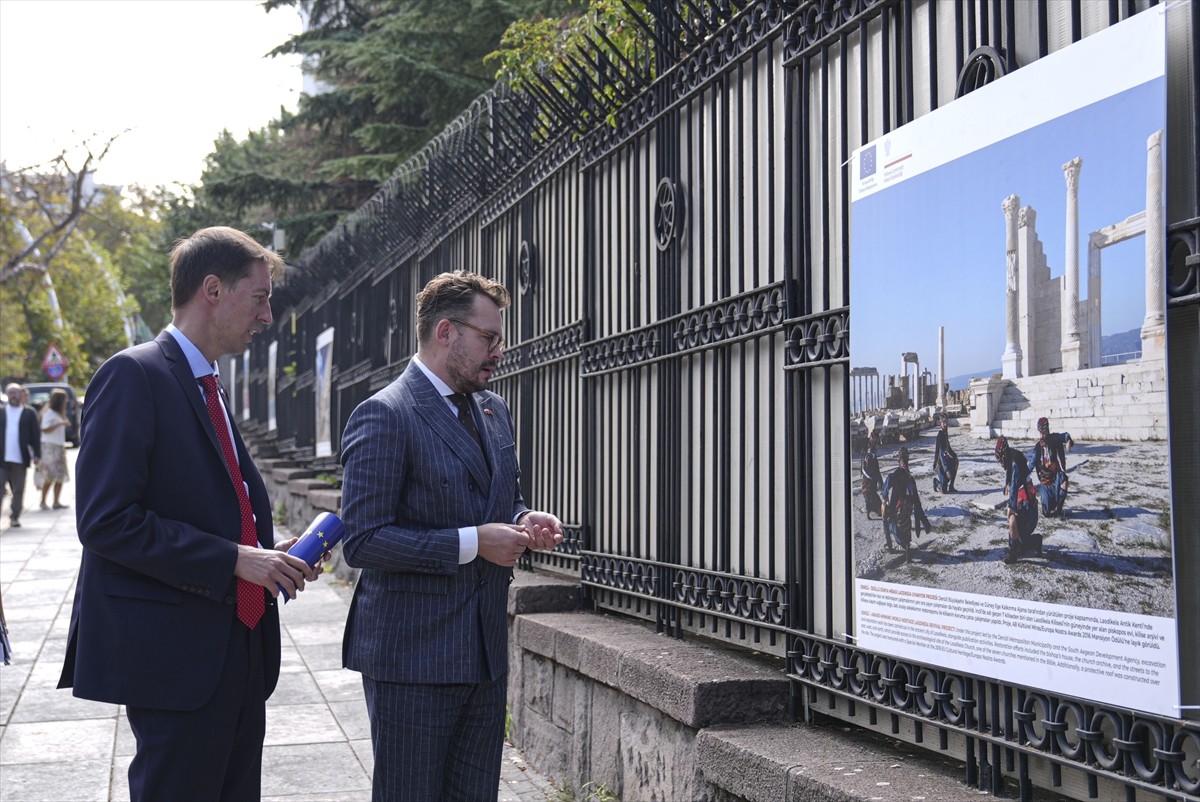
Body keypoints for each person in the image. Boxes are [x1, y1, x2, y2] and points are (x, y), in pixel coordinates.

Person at [57, 226, 321, 802]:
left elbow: (212, 502)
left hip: (239, 648)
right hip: (176, 659)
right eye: (259, 297)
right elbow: (104, 520)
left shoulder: (208, 382)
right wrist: (231, 560)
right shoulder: (134, 374)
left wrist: (269, 555)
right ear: (213, 290)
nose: (268, 316)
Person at [339, 270, 564, 801]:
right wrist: (474, 542)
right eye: (488, 338)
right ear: (446, 332)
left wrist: (523, 521)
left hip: (483, 655)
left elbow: (497, 503)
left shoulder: (493, 408)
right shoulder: (385, 414)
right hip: (412, 661)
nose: (499, 351)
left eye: (499, 339)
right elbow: (364, 540)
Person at [880, 446, 931, 560]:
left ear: (899, 460)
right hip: (907, 506)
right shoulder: (909, 477)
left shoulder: (895, 474)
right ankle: (907, 546)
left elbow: (886, 486)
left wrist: (884, 497)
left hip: (896, 506)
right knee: (906, 526)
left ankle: (890, 544)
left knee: (888, 520)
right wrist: (923, 520)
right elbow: (915, 499)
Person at [995, 436, 1041, 563]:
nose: (1001, 463)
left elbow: (1014, 486)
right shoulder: (1012, 457)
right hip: (1024, 502)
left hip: (1028, 507)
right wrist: (1006, 485)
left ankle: (1014, 553)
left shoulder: (1015, 462)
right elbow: (1010, 481)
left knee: (1013, 521)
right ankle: (1026, 544)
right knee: (1017, 540)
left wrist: (1011, 507)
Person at [2, 382, 41, 528]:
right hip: (2, 459)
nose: (13, 395)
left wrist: (37, 454)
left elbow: (35, 435)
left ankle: (15, 516)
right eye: (11, 392)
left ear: (21, 394)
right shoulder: (1, 412)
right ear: (7, 394)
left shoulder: (29, 413)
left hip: (20, 458)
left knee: (18, 489)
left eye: (16, 392)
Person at [36, 388, 71, 510]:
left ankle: (56, 501)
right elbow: (44, 429)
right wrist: (60, 424)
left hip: (59, 446)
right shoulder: (49, 413)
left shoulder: (59, 413)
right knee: (49, 475)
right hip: (50, 447)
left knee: (60, 475)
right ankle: (43, 501)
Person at [1032, 416, 1074, 517]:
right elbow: (1032, 463)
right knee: (1046, 513)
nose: (1043, 434)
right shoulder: (1038, 447)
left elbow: (1066, 435)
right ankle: (1049, 505)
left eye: (1044, 430)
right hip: (1045, 481)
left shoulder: (1054, 438)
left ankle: (1059, 509)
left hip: (1055, 476)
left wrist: (1068, 442)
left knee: (1064, 481)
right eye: (1041, 431)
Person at [932, 415, 958, 493]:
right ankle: (936, 483)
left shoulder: (945, 433)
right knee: (943, 490)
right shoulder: (940, 435)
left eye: (946, 422)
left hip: (945, 461)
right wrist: (947, 470)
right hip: (939, 463)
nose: (945, 424)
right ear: (941, 424)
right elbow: (940, 454)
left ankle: (951, 486)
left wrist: (954, 456)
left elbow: (948, 448)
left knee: (956, 461)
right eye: (943, 423)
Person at [860, 432, 882, 520]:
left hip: (869, 480)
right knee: (871, 495)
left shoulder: (870, 455)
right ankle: (874, 511)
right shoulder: (869, 455)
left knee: (870, 496)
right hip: (869, 481)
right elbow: (864, 469)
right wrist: (873, 478)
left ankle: (871, 511)